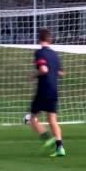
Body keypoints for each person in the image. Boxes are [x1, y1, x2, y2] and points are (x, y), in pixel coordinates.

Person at [29, 28, 66, 157]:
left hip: (43, 89)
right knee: (52, 120)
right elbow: (61, 72)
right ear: (50, 40)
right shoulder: (55, 54)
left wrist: (34, 75)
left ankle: (48, 139)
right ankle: (60, 147)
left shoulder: (39, 53)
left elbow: (44, 69)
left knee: (32, 118)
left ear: (39, 39)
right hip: (54, 89)